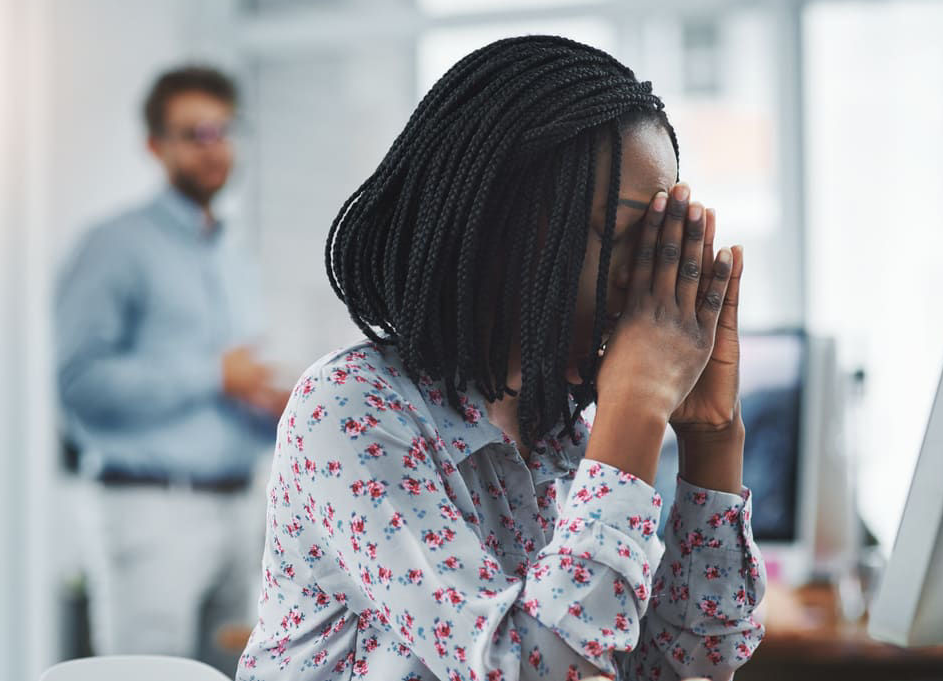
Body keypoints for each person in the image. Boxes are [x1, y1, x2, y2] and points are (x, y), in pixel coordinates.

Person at [238, 36, 765, 680]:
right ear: (500, 224)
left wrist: (710, 440)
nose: (651, 285)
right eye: (629, 237)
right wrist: (634, 410)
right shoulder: (350, 409)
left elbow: (678, 670)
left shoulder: (559, 433)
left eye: (662, 245)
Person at [55, 65, 289, 660]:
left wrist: (274, 407)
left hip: (239, 506)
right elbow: (79, 384)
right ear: (156, 146)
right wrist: (212, 374)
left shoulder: (234, 260)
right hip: (151, 512)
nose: (214, 148)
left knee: (236, 670)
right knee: (148, 676)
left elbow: (232, 384)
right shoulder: (115, 247)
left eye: (223, 130)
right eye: (194, 134)